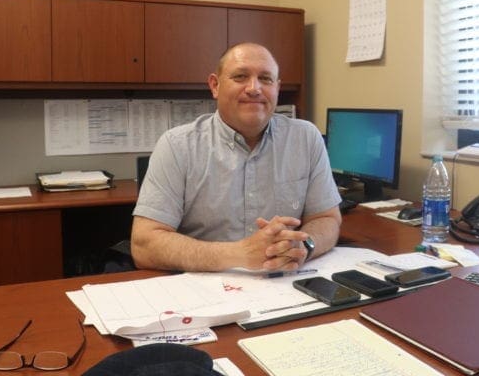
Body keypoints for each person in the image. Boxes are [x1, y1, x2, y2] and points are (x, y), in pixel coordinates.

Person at [131, 42, 342, 272]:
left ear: (277, 88)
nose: (254, 88)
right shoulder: (177, 146)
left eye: (266, 79)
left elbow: (327, 219)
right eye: (240, 76)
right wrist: (240, 254)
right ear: (215, 86)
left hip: (283, 280)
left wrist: (303, 246)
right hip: (204, 284)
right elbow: (144, 244)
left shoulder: (305, 138)